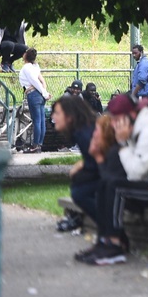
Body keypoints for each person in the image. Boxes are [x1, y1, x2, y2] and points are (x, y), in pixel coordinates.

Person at [74, 93, 148, 266]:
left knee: (116, 187)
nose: (113, 125)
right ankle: (104, 241)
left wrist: (122, 144)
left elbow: (135, 173)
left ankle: (114, 246)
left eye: (116, 119)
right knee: (103, 185)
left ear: (131, 116)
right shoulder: (136, 131)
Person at [51, 94, 99, 232]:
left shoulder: (84, 133)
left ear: (70, 116)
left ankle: (110, 232)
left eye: (57, 113)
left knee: (80, 192)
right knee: (79, 185)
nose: (53, 117)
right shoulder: (83, 130)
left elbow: (98, 164)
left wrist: (81, 170)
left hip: (114, 178)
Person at [18, 47, 51, 152]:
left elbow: (36, 82)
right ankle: (39, 144)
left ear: (26, 56)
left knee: (37, 121)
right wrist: (44, 92)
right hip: (39, 95)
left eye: (24, 53)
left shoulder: (27, 68)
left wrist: (44, 93)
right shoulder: (35, 66)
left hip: (34, 95)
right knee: (41, 121)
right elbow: (41, 80)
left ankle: (35, 145)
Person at [129, 44, 148, 108]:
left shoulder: (144, 63)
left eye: (135, 53)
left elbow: (142, 80)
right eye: (133, 53)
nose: (134, 55)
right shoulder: (141, 63)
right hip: (142, 93)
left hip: (143, 94)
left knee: (140, 113)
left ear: (141, 52)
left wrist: (133, 94)